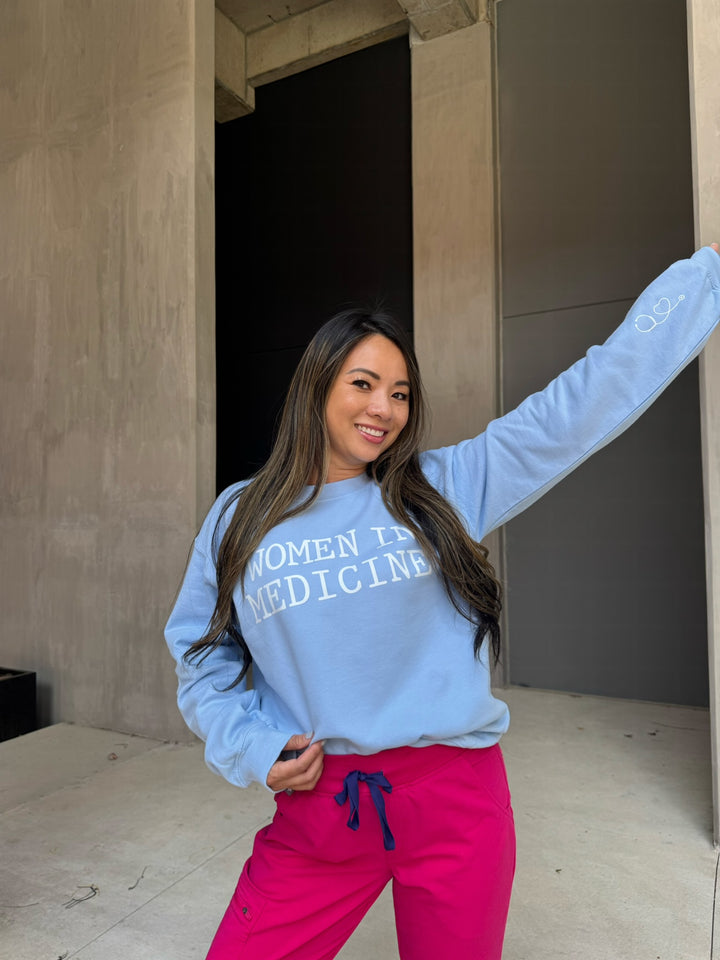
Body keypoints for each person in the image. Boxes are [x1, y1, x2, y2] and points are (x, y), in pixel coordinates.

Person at [166, 244, 720, 960]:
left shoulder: (444, 489)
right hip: (320, 807)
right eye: (364, 384)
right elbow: (201, 652)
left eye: (400, 393)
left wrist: (706, 273)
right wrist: (249, 745)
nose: (383, 409)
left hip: (456, 800)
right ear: (316, 385)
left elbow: (583, 401)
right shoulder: (241, 516)